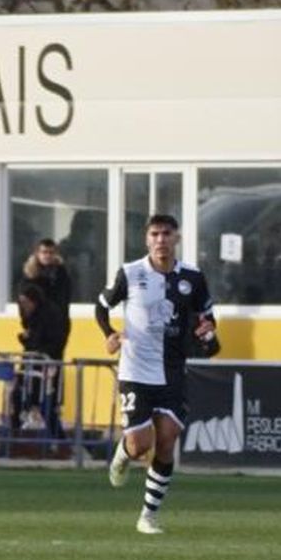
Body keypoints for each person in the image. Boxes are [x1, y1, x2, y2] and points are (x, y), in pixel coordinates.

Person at [100, 214, 219, 535]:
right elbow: (102, 305)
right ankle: (123, 454)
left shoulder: (192, 278)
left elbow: (207, 321)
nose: (161, 239)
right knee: (140, 445)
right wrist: (108, 333)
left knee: (166, 441)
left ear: (176, 238)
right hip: (136, 368)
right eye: (155, 234)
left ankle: (148, 516)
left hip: (172, 371)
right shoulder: (130, 272)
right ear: (146, 239)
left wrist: (208, 332)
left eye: (167, 233)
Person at [13, 281, 68, 436]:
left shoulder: (49, 314)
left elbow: (52, 341)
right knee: (19, 397)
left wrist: (29, 342)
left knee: (44, 404)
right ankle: (16, 432)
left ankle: (59, 439)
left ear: (34, 300)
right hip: (32, 363)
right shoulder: (32, 315)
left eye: (26, 302)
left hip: (44, 364)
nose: (23, 306)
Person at [20, 238, 73, 312]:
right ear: (37, 253)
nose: (48, 255)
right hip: (35, 320)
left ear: (55, 254)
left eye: (51, 252)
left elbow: (65, 299)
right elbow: (24, 300)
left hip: (57, 319)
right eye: (44, 252)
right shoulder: (30, 274)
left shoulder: (61, 273)